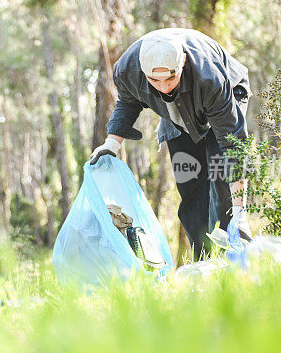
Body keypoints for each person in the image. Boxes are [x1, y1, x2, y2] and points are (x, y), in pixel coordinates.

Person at [90, 28, 252, 259]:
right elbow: (128, 104)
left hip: (224, 96)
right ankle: (203, 259)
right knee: (191, 186)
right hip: (177, 114)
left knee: (220, 179)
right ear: (143, 71)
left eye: (170, 78)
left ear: (183, 62)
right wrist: (112, 143)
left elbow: (234, 147)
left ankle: (232, 255)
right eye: (154, 80)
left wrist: (240, 214)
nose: (163, 86)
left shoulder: (210, 77)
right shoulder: (127, 70)